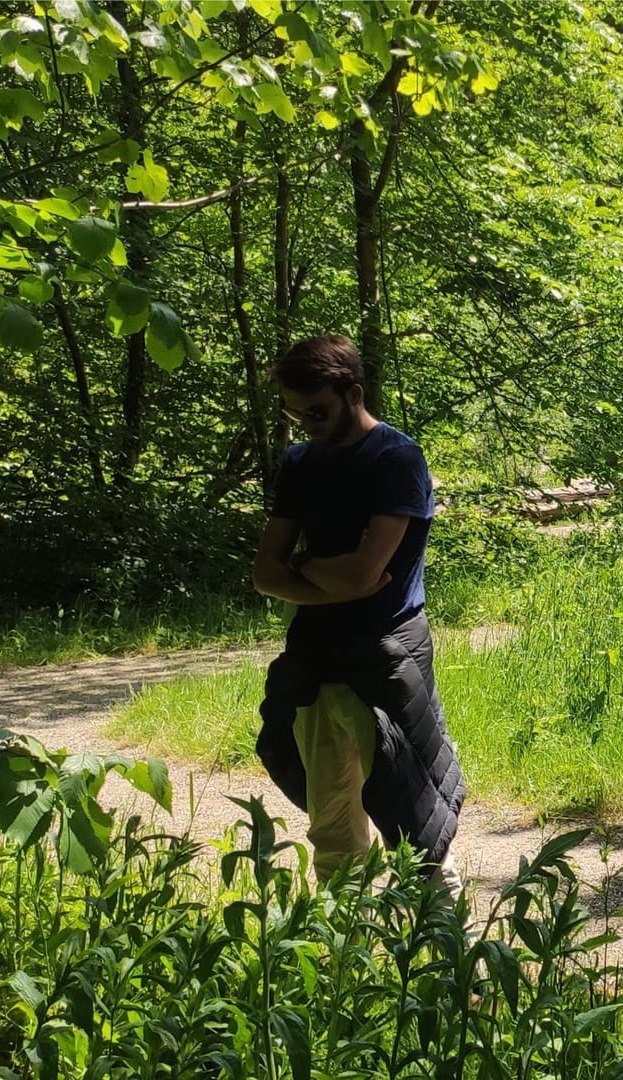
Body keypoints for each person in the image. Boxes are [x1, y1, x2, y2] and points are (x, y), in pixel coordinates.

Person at [251, 335, 466, 893]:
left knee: (417, 824)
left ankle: (448, 943)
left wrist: (305, 569)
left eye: (317, 412)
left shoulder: (396, 459)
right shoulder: (300, 462)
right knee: (331, 825)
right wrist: (332, 578)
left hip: (387, 652)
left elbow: (363, 574)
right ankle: (344, 940)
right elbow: (265, 573)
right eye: (297, 414)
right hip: (314, 657)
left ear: (353, 393)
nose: (307, 425)